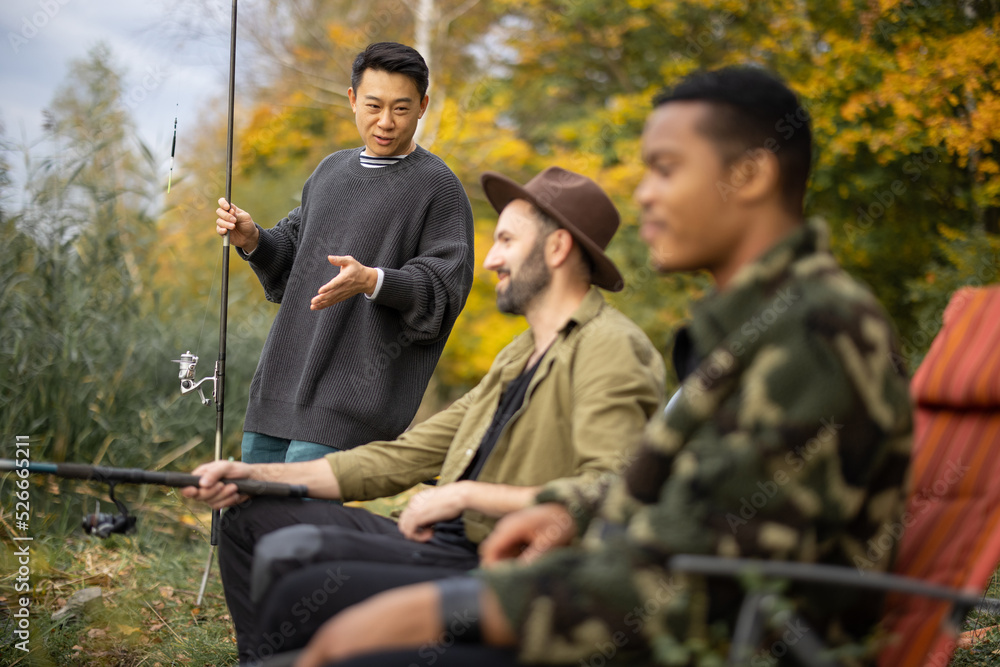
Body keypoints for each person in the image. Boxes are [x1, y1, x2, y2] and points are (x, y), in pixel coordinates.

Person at [286, 66, 915, 667]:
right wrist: (562, 511)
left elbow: (697, 575)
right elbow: (648, 500)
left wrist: (455, 604)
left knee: (361, 638)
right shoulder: (751, 325)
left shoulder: (813, 332)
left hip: (708, 641)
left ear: (749, 174)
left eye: (666, 170)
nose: (644, 194)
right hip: (655, 615)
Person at [183, 166, 666, 664]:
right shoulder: (520, 353)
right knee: (247, 514)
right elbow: (409, 455)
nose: (491, 259)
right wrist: (252, 475)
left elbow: (613, 490)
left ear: (558, 248)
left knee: (297, 571)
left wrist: (466, 493)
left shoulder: (611, 349)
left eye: (505, 241)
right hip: (437, 541)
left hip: (497, 567)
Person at [215, 42, 475, 464]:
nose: (385, 122)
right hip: (277, 392)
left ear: (424, 106)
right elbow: (293, 261)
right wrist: (253, 239)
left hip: (350, 405)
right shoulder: (330, 172)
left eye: (402, 109)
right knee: (253, 521)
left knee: (303, 524)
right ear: (352, 99)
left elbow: (443, 292)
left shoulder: (437, 186)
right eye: (374, 106)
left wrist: (373, 281)